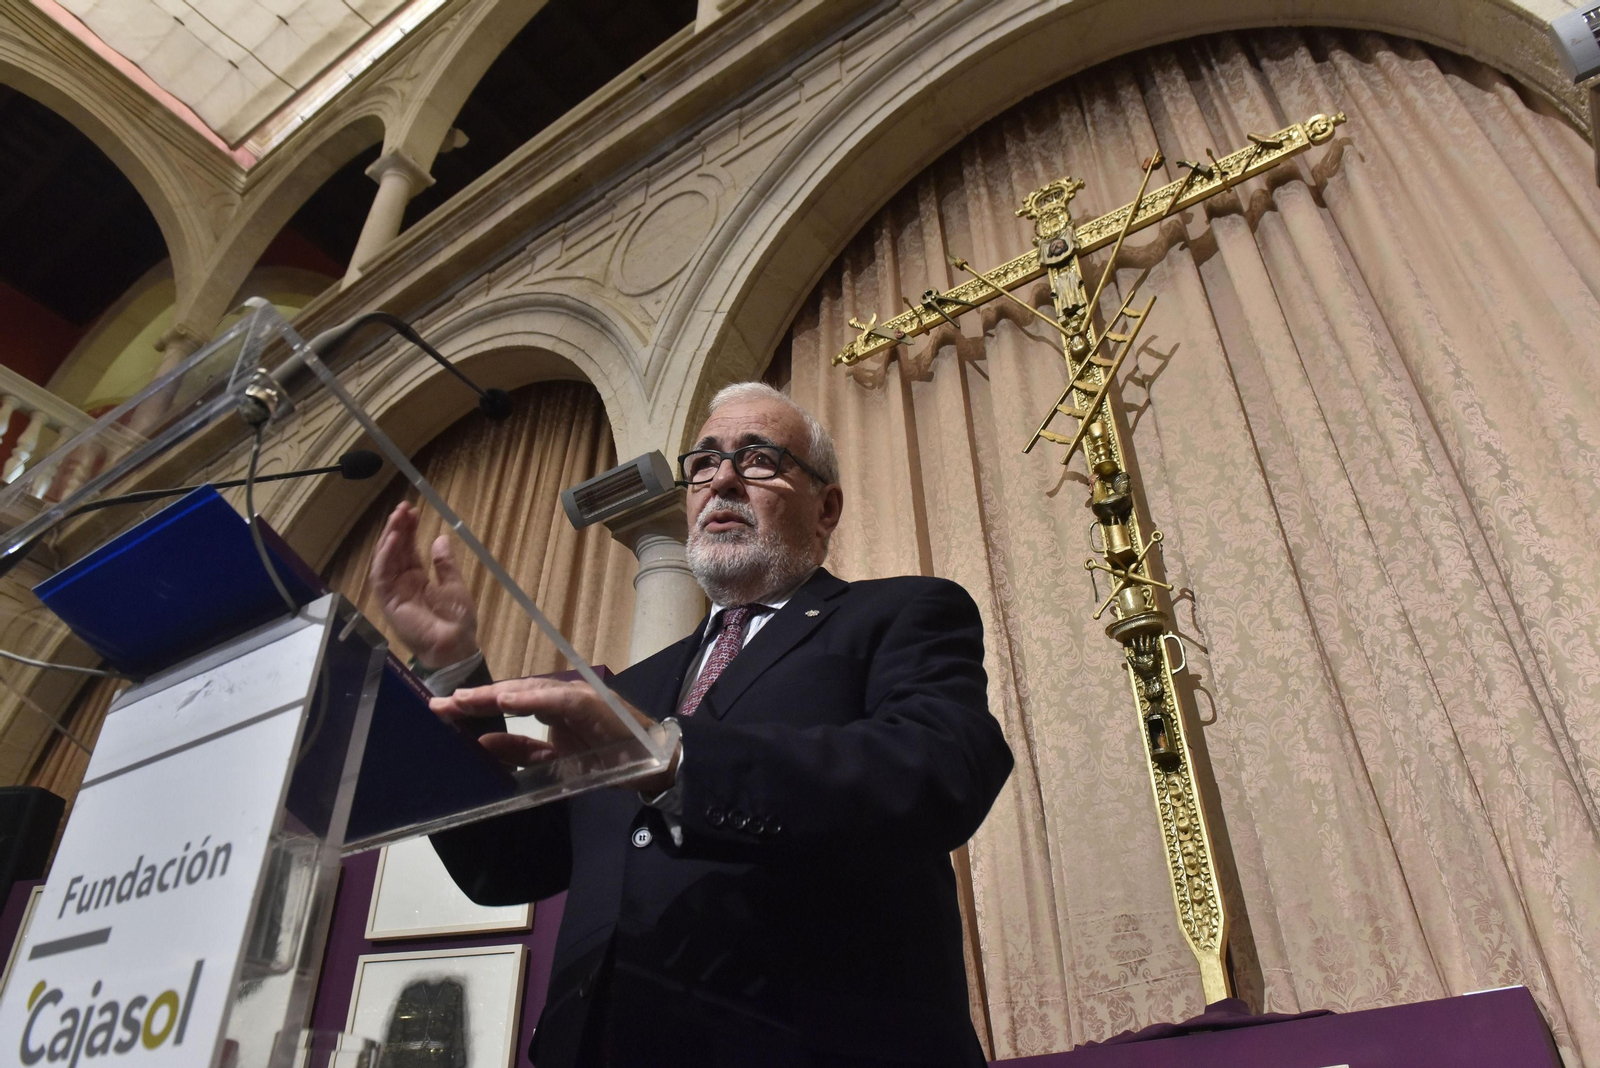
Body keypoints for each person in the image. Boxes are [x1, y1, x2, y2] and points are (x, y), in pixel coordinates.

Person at [370, 382, 1014, 1067]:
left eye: (759, 458)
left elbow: (942, 768)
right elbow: (506, 866)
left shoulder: (900, 614)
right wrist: (451, 669)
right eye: (703, 463)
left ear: (825, 508)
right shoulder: (636, 688)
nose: (723, 479)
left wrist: (677, 761)